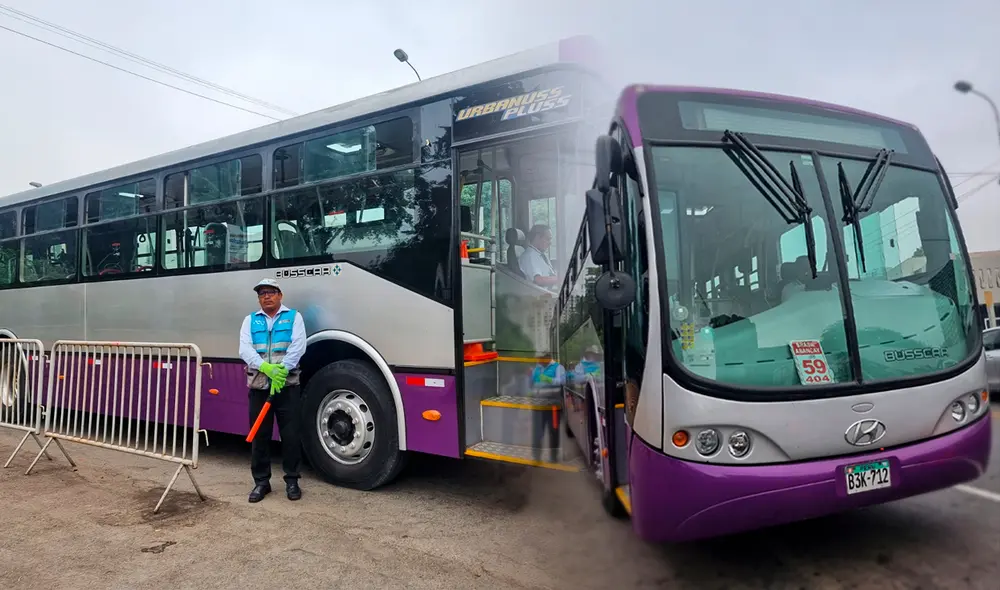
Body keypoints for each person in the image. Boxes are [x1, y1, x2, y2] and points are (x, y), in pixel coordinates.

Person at [239, 278, 307, 503]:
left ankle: (292, 481)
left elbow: (298, 346)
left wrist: (283, 370)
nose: (266, 296)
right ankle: (261, 482)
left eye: (271, 292)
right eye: (262, 293)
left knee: (290, 436)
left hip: (287, 387)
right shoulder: (250, 320)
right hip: (259, 387)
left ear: (280, 295)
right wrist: (266, 368)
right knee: (260, 436)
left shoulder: (294, 317)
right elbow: (245, 350)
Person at [518, 224, 559, 289]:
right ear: (537, 237)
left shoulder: (540, 254)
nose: (550, 243)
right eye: (548, 239)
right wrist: (560, 279)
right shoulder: (530, 256)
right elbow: (538, 280)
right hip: (540, 295)